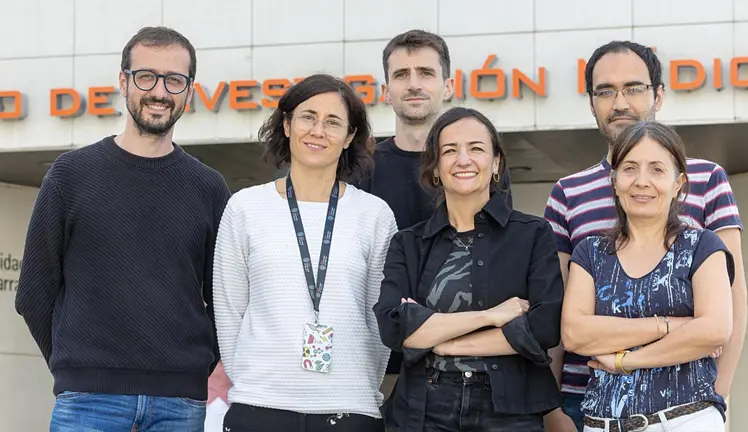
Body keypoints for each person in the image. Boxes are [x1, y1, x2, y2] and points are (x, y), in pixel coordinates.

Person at [14, 26, 230, 432]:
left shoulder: (208, 187)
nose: (160, 92)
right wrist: (77, 368)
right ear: (123, 81)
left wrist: (196, 364)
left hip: (179, 404)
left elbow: (225, 296)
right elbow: (34, 292)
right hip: (87, 403)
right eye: (146, 76)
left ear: (189, 90)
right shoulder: (70, 176)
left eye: (174, 80)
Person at [543, 40, 746, 432]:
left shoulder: (708, 178)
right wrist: (553, 408)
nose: (620, 102)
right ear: (591, 102)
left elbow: (731, 303)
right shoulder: (567, 192)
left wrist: (720, 391)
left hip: (685, 400)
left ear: (658, 95)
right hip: (584, 399)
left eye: (633, 88)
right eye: (605, 91)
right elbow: (561, 315)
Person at [212, 73, 398, 432]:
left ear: (349, 137)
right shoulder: (245, 208)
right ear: (286, 124)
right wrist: (255, 381)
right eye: (308, 117)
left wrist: (354, 383)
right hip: (260, 405)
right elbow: (230, 310)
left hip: (349, 407)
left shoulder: (374, 215)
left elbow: (379, 319)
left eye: (333, 122)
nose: (318, 130)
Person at [374, 107, 563, 432]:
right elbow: (394, 329)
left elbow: (544, 327)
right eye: (450, 150)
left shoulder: (533, 234)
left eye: (476, 148)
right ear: (435, 167)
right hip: (421, 412)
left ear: (496, 164)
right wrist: (493, 317)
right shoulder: (408, 243)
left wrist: (443, 340)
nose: (463, 159)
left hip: (508, 412)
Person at [357, 28, 512, 399]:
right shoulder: (362, 170)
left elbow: (498, 254)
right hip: (383, 365)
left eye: (425, 73)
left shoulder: (480, 168)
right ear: (385, 90)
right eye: (401, 75)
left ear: (447, 86)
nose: (414, 84)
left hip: (470, 361)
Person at [561, 120, 734, 431]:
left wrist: (623, 361)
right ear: (613, 180)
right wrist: (670, 326)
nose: (642, 181)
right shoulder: (590, 253)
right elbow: (575, 333)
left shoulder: (702, 246)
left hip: (686, 420)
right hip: (603, 424)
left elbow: (714, 331)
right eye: (629, 169)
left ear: (679, 182)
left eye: (657, 169)